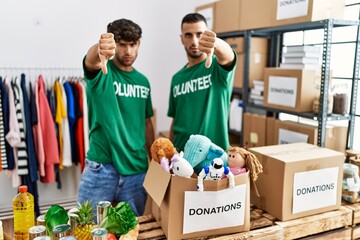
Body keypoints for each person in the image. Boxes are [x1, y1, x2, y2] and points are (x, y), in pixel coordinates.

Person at [77, 18, 155, 218]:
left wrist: (154, 158)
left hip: (137, 170)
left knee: (130, 230)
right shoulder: (102, 72)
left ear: (139, 44)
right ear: (113, 44)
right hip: (101, 168)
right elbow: (91, 61)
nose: (128, 51)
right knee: (87, 227)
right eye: (122, 45)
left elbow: (147, 122)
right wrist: (99, 49)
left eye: (132, 44)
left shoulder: (143, 81)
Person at [167, 13, 237, 152]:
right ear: (182, 39)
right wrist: (170, 152)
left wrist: (215, 43)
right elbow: (176, 120)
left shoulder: (217, 67)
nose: (194, 41)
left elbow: (228, 56)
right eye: (188, 35)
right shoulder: (177, 78)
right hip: (182, 158)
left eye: (200, 34)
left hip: (213, 159)